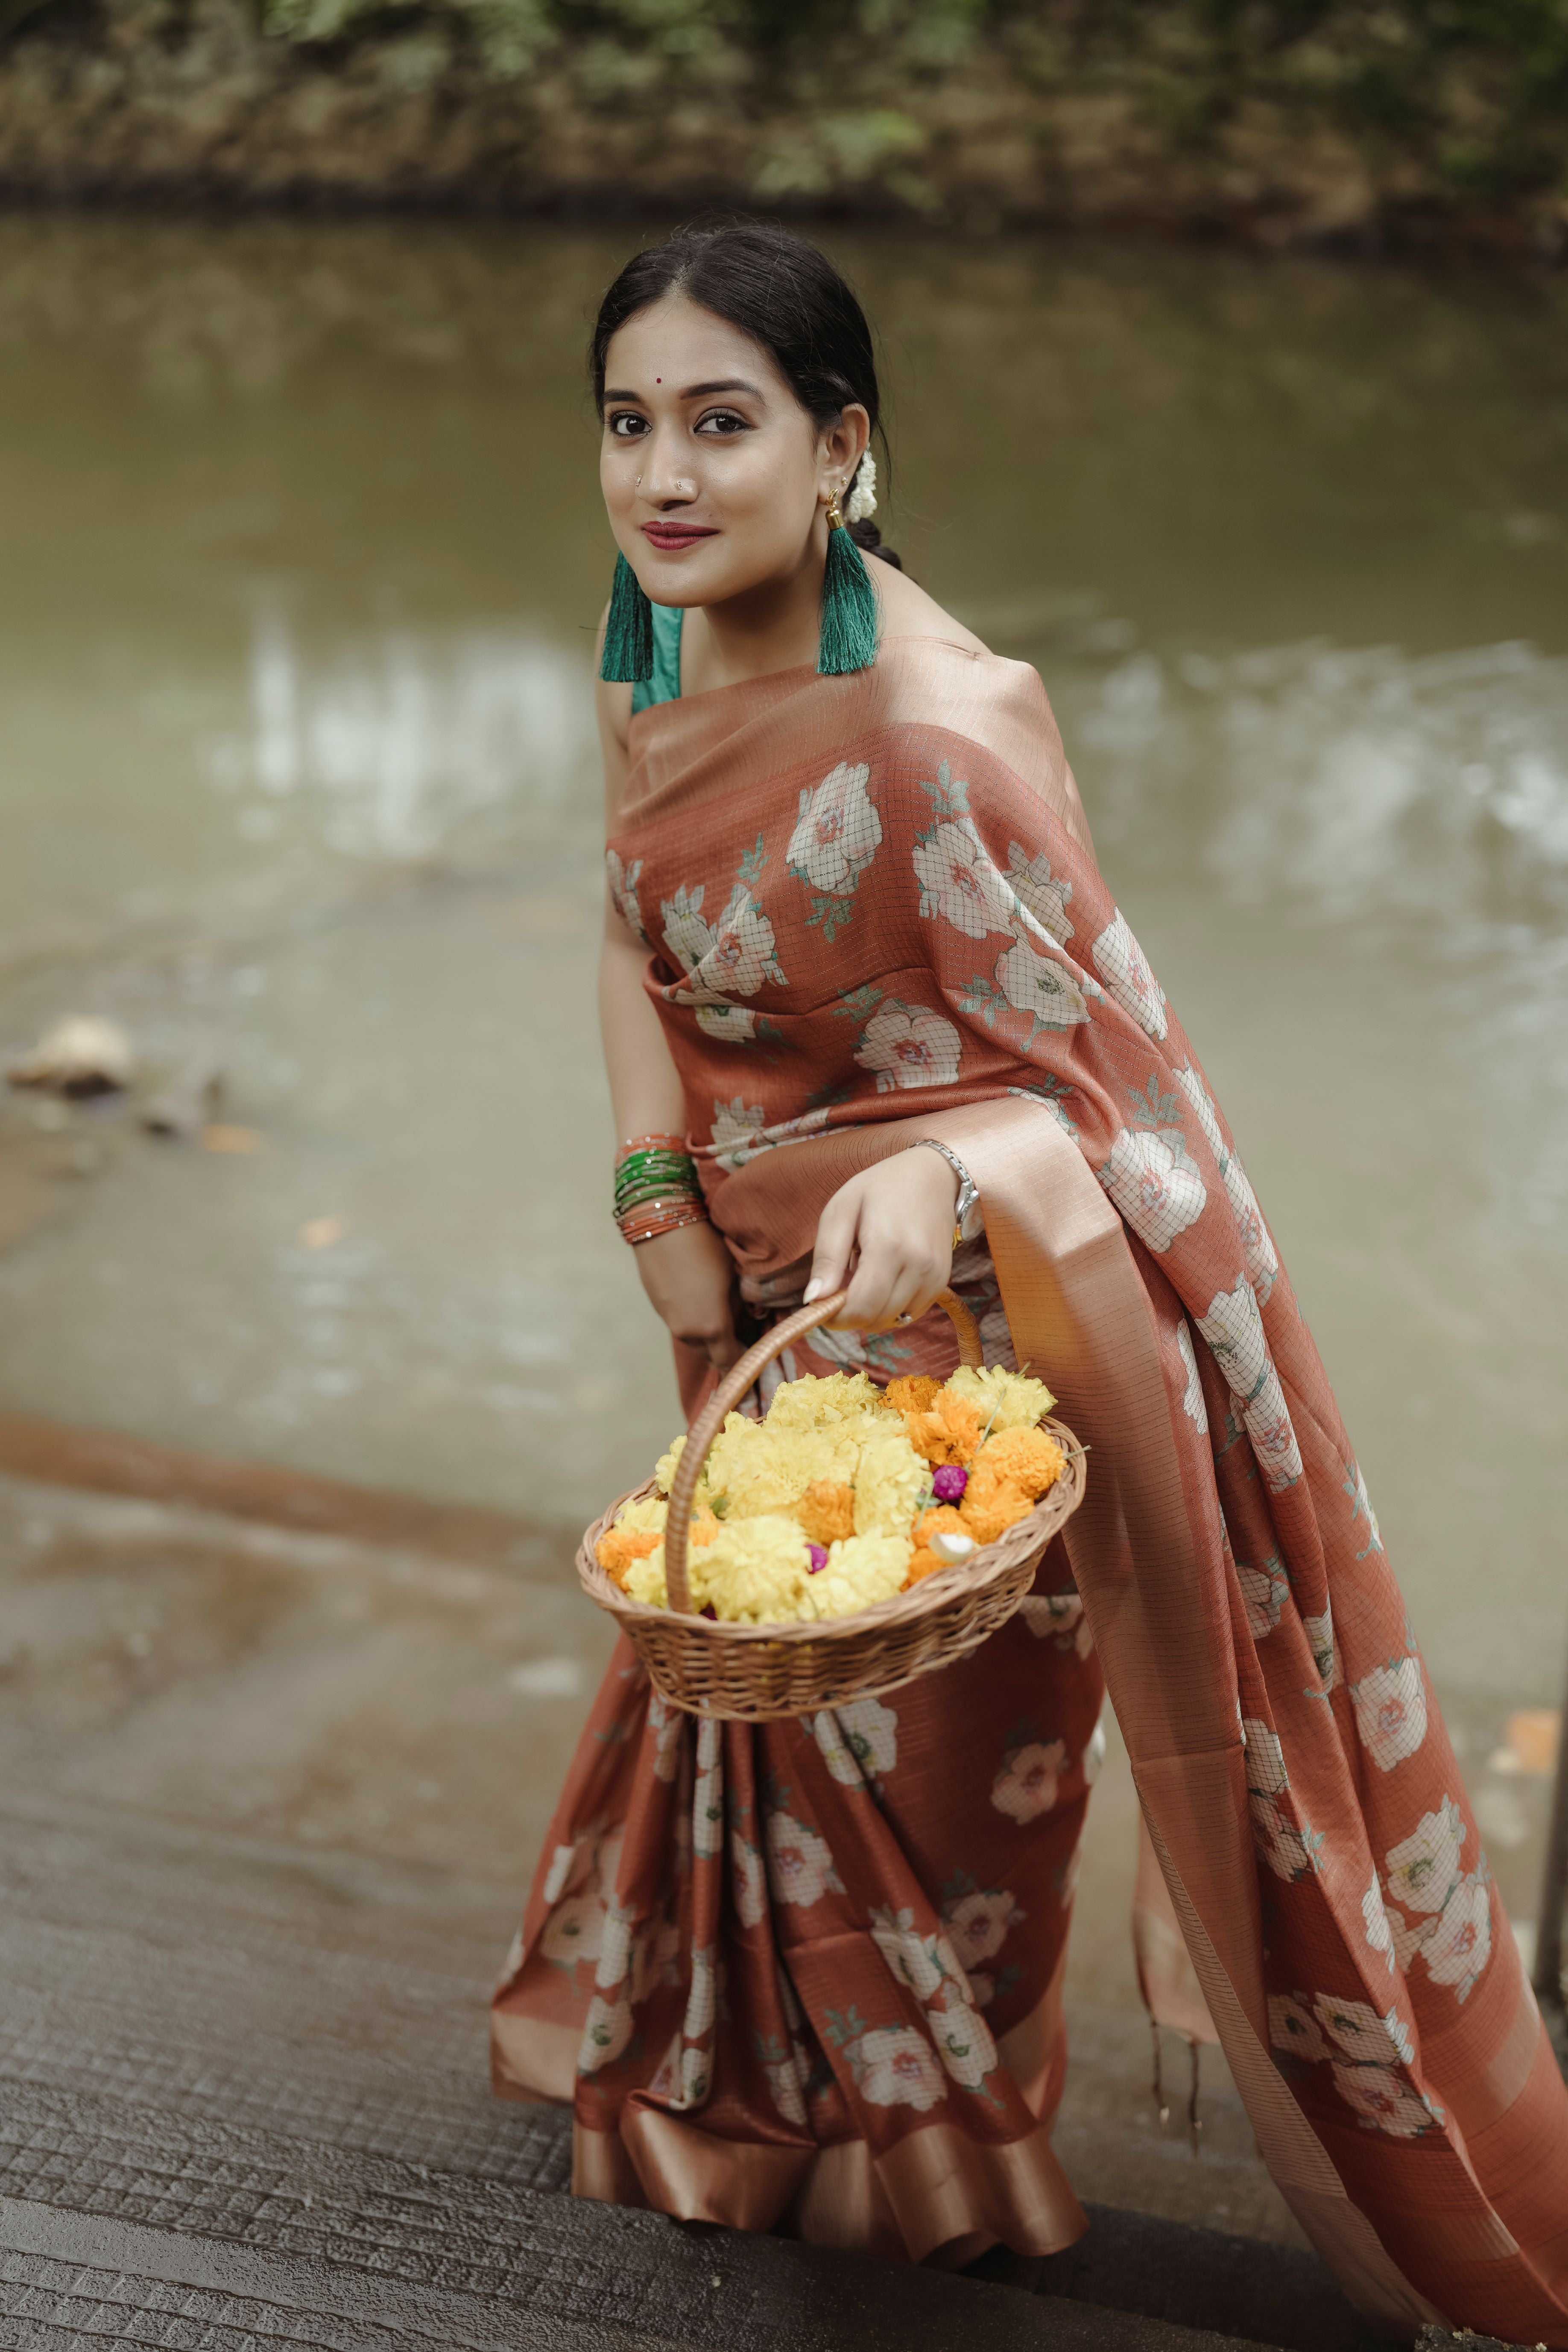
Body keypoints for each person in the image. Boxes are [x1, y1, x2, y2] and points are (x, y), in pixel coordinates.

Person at [492, 222, 1568, 2338]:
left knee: (936, 1793)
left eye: (725, 423)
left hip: (985, 1351)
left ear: (844, 448)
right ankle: (739, 2134)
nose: (663, 478)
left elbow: (1120, 1108)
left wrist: (952, 1191)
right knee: (756, 1709)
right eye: (630, 425)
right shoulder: (666, 638)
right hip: (763, 1304)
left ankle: (931, 2206)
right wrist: (656, 1205)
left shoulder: (930, 738)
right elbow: (628, 915)